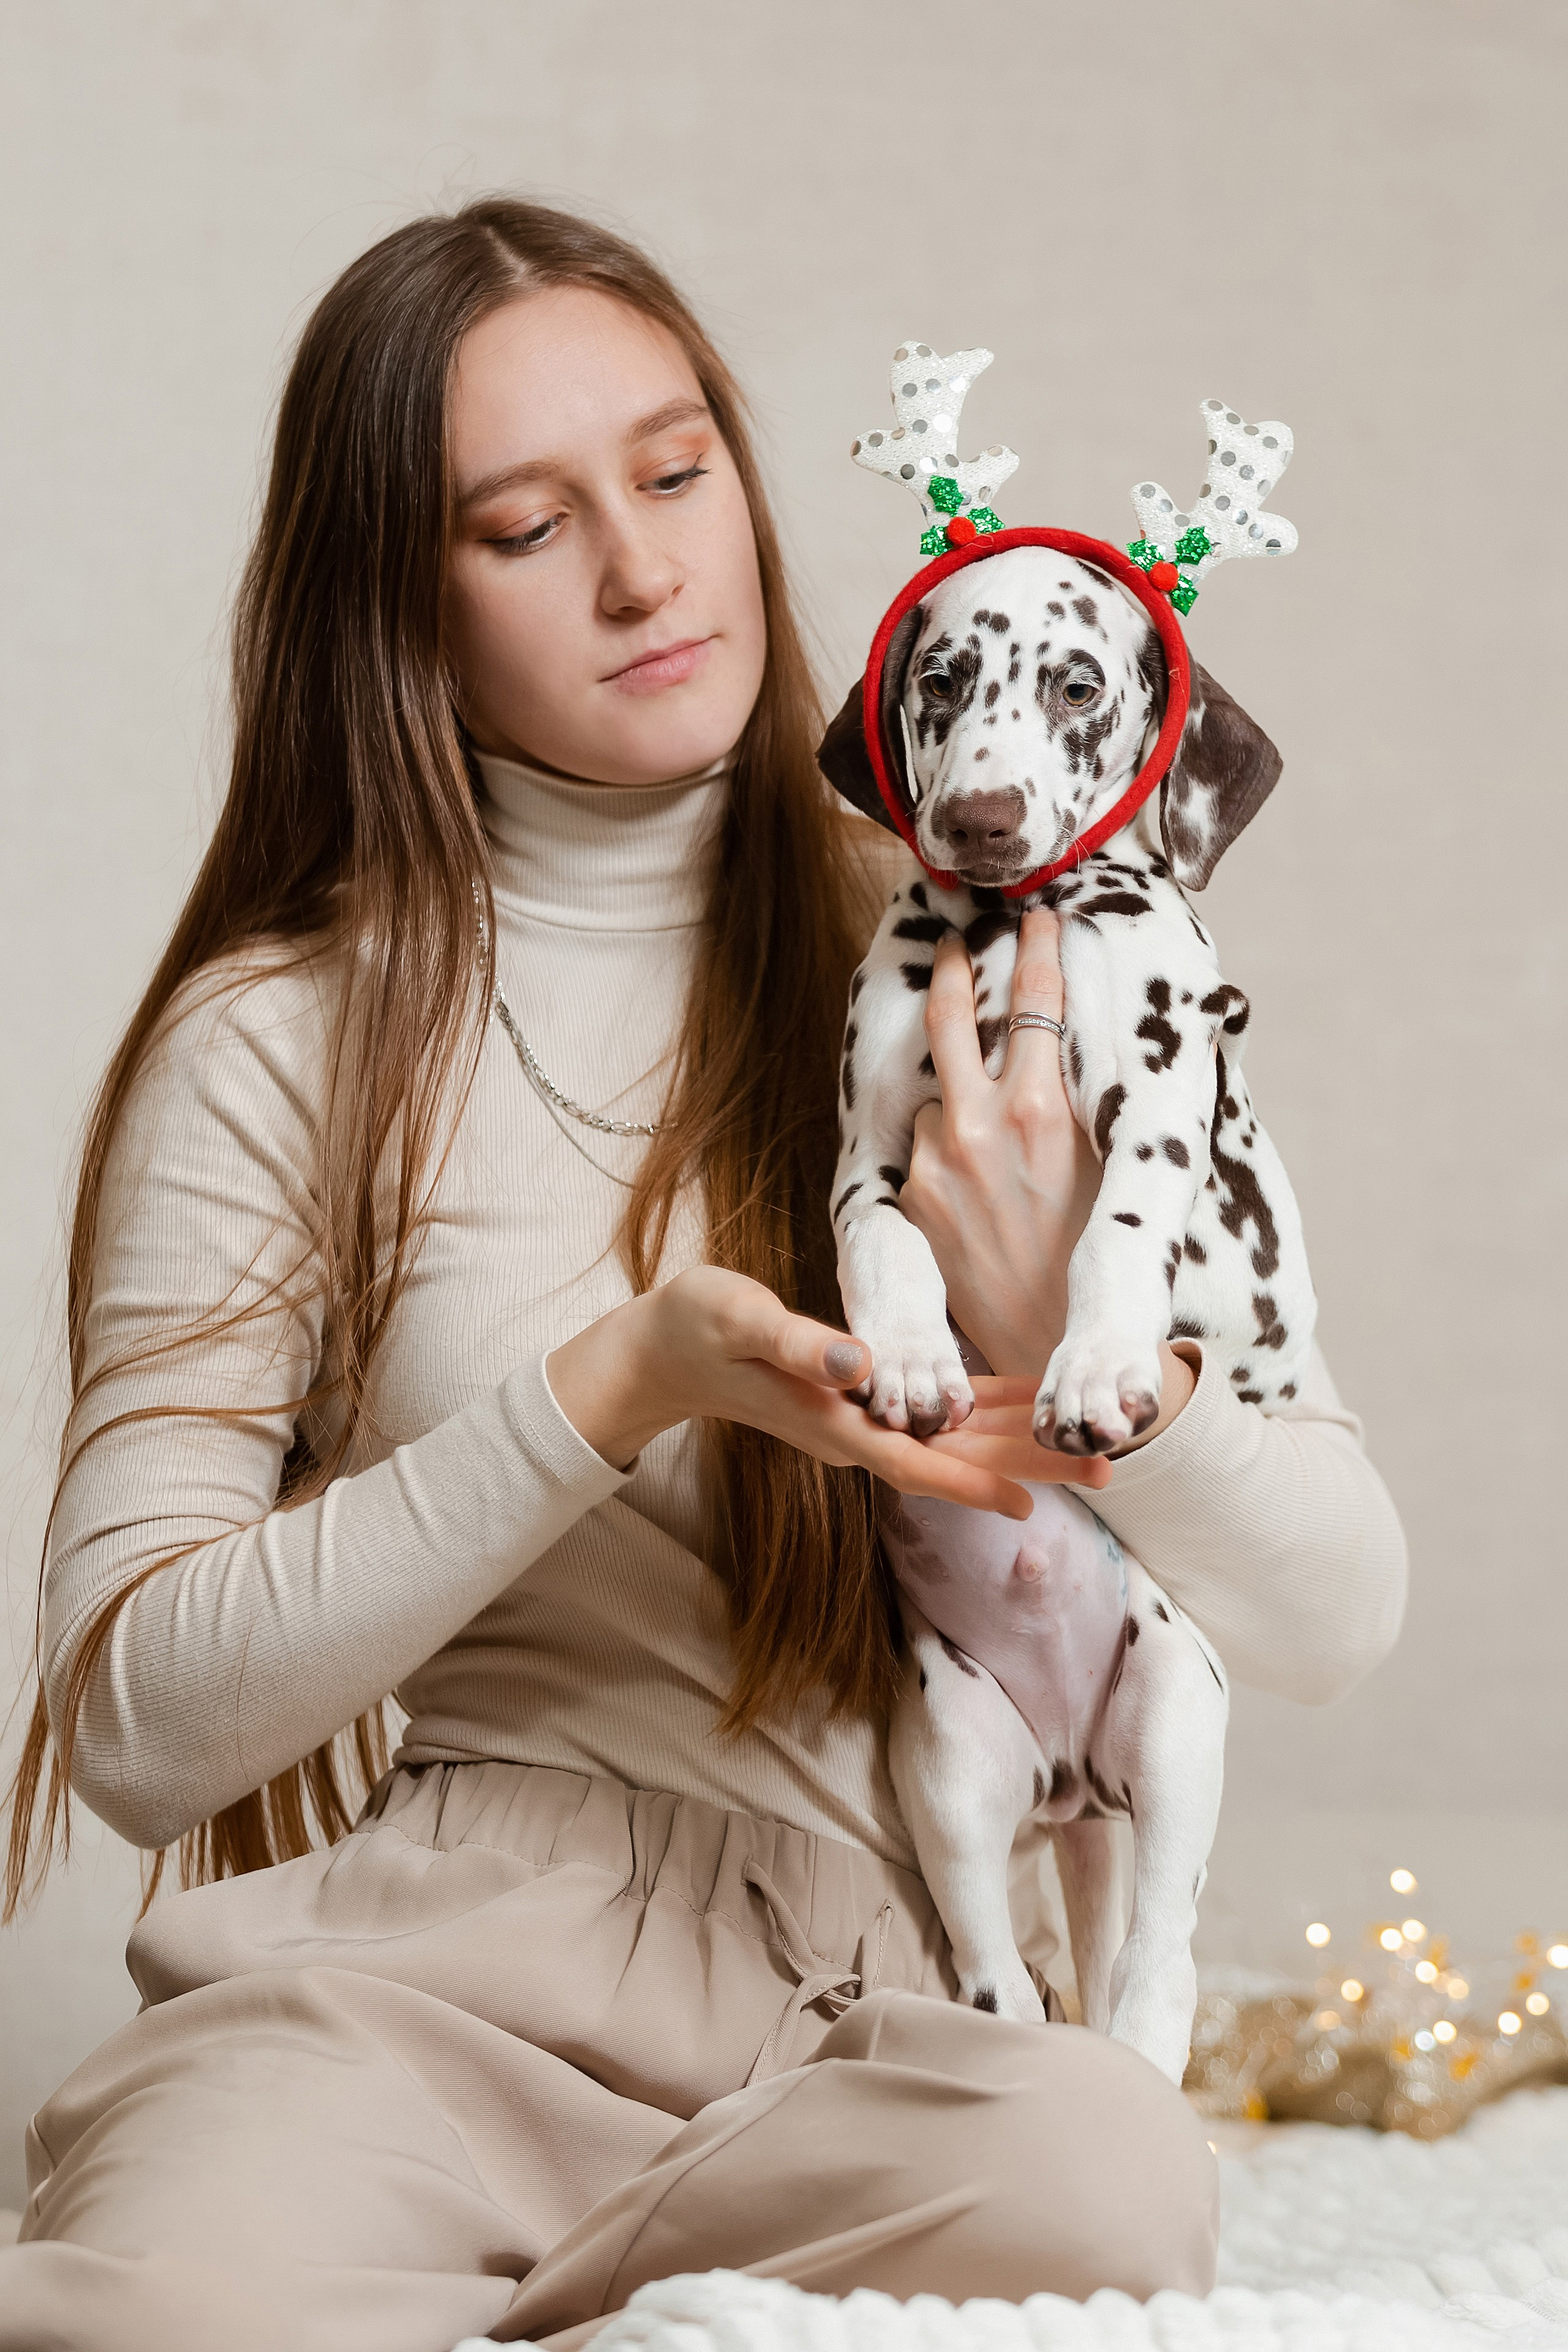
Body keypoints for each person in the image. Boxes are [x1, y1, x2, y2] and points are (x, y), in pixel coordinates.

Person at [1, 200, 1406, 2352]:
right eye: (524, 526)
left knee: (1104, 2177)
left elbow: (1331, 1611)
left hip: (887, 2024)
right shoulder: (281, 1037)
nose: (649, 575)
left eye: (675, 474)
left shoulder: (1027, 964)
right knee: (164, 2311)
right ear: (399, 600)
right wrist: (607, 1390)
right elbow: (136, 1726)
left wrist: (1062, 1333)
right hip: (427, 1994)